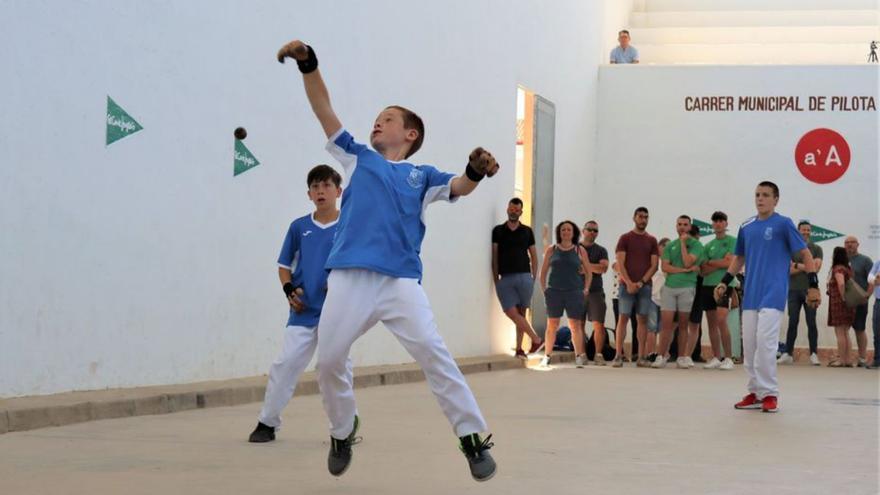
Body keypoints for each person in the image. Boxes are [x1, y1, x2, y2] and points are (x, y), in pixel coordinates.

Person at [278, 39, 497, 481]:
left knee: (435, 355)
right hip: (348, 280)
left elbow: (459, 186)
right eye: (376, 120)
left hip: (399, 284)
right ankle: (343, 429)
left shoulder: (422, 176)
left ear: (409, 134)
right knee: (330, 361)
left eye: (388, 120)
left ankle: (472, 438)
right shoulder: (358, 159)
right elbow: (325, 109)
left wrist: (474, 169)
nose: (377, 124)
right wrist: (309, 65)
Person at [248, 165, 345, 443]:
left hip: (337, 313)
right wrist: (289, 290)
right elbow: (283, 266)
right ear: (308, 193)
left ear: (338, 191)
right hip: (303, 311)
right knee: (285, 363)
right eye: (315, 187)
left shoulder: (349, 225)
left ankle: (344, 428)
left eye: (326, 186)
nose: (320, 191)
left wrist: (339, 282)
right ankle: (267, 423)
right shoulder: (298, 227)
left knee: (335, 368)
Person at [715, 181, 821, 413]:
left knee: (765, 343)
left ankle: (770, 394)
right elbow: (739, 258)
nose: (760, 199)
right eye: (757, 195)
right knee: (750, 346)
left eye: (765, 195)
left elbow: (805, 253)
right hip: (751, 294)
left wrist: (813, 284)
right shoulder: (747, 226)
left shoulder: (783, 224)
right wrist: (724, 281)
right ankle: (755, 392)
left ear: (776, 199)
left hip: (773, 293)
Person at [492, 198, 544, 358]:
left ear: (521, 212)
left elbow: (534, 256)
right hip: (505, 278)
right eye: (511, 208)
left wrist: (534, 277)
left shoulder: (527, 231)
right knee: (511, 312)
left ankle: (520, 349)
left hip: (524, 277)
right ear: (507, 209)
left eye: (517, 210)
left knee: (521, 313)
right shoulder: (498, 230)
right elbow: (494, 257)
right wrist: (496, 279)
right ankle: (536, 339)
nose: (513, 211)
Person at [539, 221, 592, 368]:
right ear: (559, 232)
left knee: (575, 325)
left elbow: (589, 272)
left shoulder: (579, 251)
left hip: (574, 292)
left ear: (573, 232)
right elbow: (543, 273)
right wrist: (545, 290)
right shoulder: (552, 250)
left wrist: (586, 289)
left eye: (569, 229)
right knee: (552, 325)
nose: (566, 232)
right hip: (554, 292)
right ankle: (547, 356)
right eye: (563, 230)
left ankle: (579, 356)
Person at [653, 215, 702, 369]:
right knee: (666, 324)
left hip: (687, 288)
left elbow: (688, 261)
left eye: (685, 225)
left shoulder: (696, 245)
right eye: (679, 224)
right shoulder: (669, 246)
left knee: (683, 324)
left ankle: (681, 357)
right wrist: (683, 270)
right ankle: (661, 356)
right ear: (676, 226)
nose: (682, 227)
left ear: (689, 227)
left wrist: (682, 243)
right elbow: (665, 267)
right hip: (669, 288)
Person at [614, 207, 659, 367]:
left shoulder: (652, 240)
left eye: (646, 217)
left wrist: (640, 283)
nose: (643, 220)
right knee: (623, 318)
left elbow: (654, 265)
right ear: (634, 218)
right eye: (640, 216)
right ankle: (618, 355)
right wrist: (628, 283)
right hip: (626, 286)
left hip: (644, 287)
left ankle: (641, 357)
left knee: (642, 320)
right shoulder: (625, 238)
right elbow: (620, 263)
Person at [778, 221, 823, 365]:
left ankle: (814, 354)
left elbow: (815, 268)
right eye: (803, 230)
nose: (806, 232)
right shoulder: (790, 248)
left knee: (812, 322)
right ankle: (788, 354)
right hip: (792, 290)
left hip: (810, 291)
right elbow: (787, 270)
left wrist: (797, 265)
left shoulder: (817, 248)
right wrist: (806, 266)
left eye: (808, 230)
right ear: (797, 231)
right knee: (792, 322)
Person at [697, 211, 736, 370]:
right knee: (712, 323)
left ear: (726, 224)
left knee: (721, 320)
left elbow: (730, 263)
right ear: (712, 224)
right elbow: (703, 270)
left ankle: (728, 358)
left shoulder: (733, 241)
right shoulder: (707, 245)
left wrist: (712, 262)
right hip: (707, 285)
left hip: (724, 285)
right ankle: (716, 357)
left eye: (721, 221)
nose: (718, 224)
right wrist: (718, 262)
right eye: (715, 221)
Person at [580, 220, 610, 365]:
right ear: (582, 231)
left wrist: (584, 266)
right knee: (578, 325)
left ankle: (598, 354)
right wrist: (593, 267)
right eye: (590, 229)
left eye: (595, 230)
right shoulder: (574, 248)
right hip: (577, 292)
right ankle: (581, 354)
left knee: (599, 324)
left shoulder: (601, 250)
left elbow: (603, 268)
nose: (592, 232)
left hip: (596, 292)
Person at [844, 236, 873, 367]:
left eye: (852, 242)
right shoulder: (841, 260)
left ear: (858, 244)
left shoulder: (865, 260)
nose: (849, 245)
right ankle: (846, 358)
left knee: (859, 329)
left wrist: (867, 295)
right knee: (843, 330)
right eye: (847, 243)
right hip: (844, 301)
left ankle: (862, 358)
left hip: (860, 302)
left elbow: (872, 280)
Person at [827, 247, 857, 367]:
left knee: (840, 332)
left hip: (839, 303)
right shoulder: (847, 268)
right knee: (846, 332)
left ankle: (842, 360)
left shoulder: (838, 269)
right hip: (849, 304)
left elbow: (841, 283)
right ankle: (848, 360)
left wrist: (843, 298)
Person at [646, 238, 671, 362]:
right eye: (665, 246)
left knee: (664, 329)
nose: (667, 248)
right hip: (651, 298)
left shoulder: (671, 263)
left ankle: (663, 353)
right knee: (652, 328)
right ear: (659, 247)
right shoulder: (653, 261)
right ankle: (650, 353)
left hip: (666, 300)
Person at [867, 260, 880, 369]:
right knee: (877, 332)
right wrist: (876, 279)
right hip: (878, 301)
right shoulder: (878, 263)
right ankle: (877, 359)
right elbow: (870, 278)